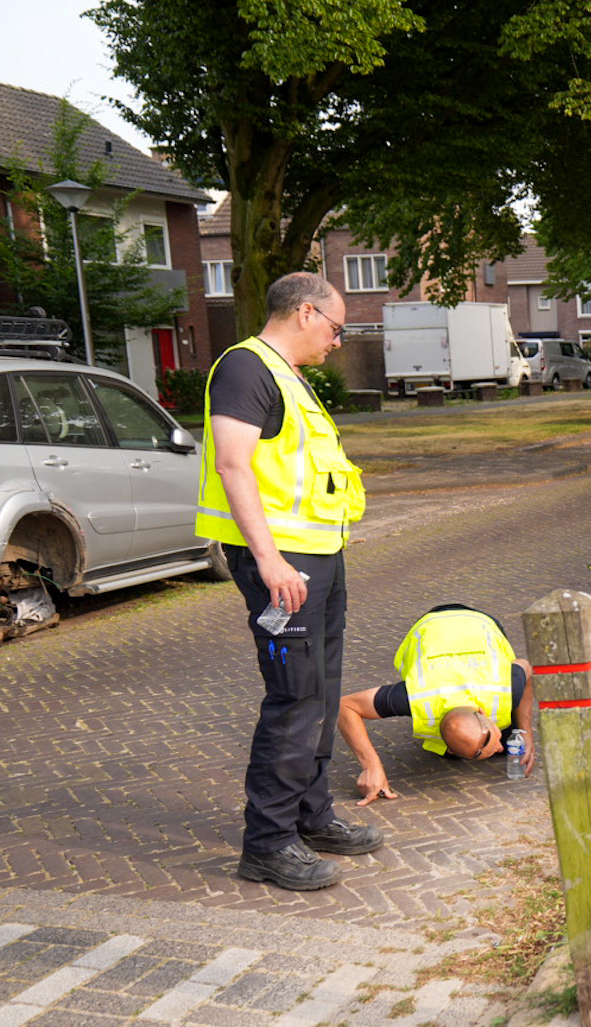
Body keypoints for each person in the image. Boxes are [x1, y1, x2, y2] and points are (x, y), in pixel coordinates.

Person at [197, 271, 379, 891]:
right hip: (284, 565)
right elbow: (232, 464)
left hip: (320, 556)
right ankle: (268, 843)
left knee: (322, 693)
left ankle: (311, 815)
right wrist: (269, 560)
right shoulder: (246, 369)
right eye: (336, 327)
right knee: (295, 698)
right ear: (305, 313)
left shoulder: (290, 376)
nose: (338, 340)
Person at [338, 605, 537, 806]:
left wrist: (526, 733)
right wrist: (371, 766)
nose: (500, 744)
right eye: (479, 751)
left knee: (511, 743)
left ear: (483, 713)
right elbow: (346, 706)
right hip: (430, 627)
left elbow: (526, 666)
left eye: (492, 736)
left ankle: (488, 736)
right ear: (448, 747)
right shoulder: (414, 697)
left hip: (479, 622)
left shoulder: (505, 687)